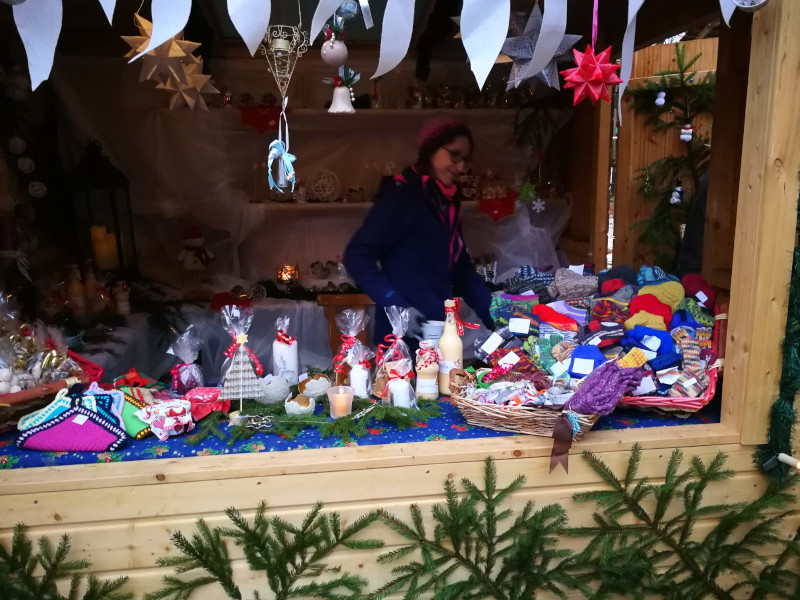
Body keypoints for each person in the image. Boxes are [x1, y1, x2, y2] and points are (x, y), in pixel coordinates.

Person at [344, 116, 493, 345]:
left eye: (466, 159)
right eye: (455, 155)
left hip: (438, 327)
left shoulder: (448, 199)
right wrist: (396, 305)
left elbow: (461, 268)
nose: (461, 167)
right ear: (431, 149)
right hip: (400, 335)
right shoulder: (401, 195)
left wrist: (495, 314)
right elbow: (356, 256)